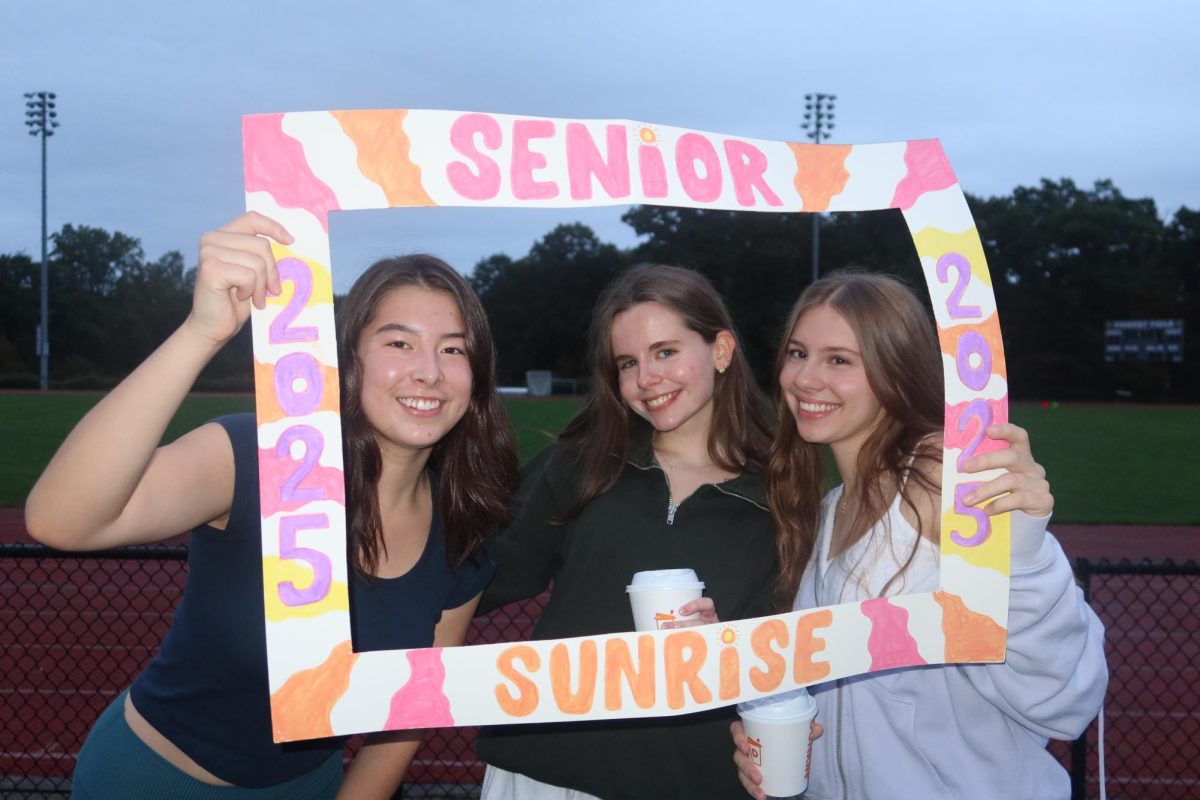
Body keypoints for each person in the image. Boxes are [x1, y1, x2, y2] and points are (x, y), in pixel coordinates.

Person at [25, 212, 518, 800]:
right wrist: (201, 332)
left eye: (453, 348)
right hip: (150, 779)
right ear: (348, 359)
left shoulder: (462, 532)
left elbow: (403, 717)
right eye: (399, 342)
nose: (429, 371)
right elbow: (61, 521)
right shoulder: (257, 458)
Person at [730, 272, 1108, 800]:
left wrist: (1022, 553)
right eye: (798, 353)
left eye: (839, 359)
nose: (805, 378)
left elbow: (1063, 699)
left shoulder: (942, 483)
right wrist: (778, 734)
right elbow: (841, 703)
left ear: (896, 369)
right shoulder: (829, 512)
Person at [474, 263, 778, 799]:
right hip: (545, 773)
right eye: (628, 363)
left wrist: (727, 641)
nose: (646, 379)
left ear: (722, 350)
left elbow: (785, 650)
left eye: (666, 352)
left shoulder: (779, 499)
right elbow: (483, 576)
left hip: (694, 782)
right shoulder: (582, 464)